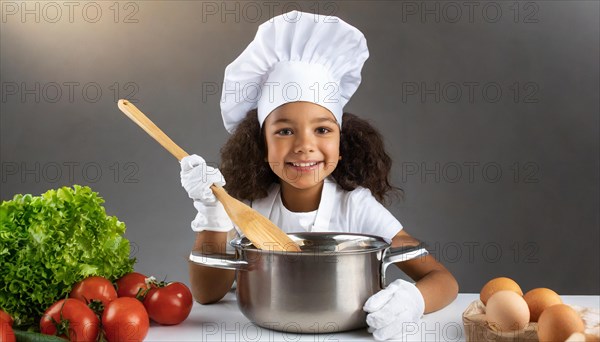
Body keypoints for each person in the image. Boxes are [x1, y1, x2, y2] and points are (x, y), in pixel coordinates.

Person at [180, 11, 458, 341]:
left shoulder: (356, 206)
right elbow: (208, 293)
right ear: (261, 145)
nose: (304, 146)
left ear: (342, 144)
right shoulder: (250, 206)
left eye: (323, 129)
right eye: (284, 131)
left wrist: (413, 299)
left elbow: (443, 280)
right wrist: (213, 214)